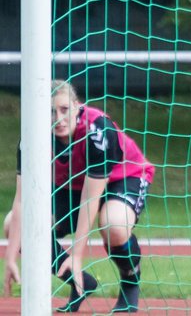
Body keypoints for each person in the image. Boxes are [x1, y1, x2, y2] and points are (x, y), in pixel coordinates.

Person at [6, 82, 154, 312]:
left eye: (64, 109)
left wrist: (77, 254)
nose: (58, 118)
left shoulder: (97, 129)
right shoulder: (32, 138)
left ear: (77, 107)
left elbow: (90, 198)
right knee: (16, 225)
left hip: (122, 177)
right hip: (73, 186)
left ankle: (130, 281)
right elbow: (21, 201)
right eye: (50, 111)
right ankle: (80, 282)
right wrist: (9, 258)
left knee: (114, 225)